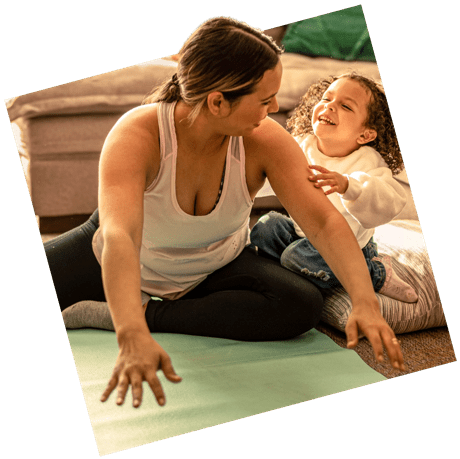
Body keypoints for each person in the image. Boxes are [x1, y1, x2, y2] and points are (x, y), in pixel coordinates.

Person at [46, 17, 405, 410]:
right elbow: (121, 237)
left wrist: (365, 301)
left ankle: (148, 314)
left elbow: (322, 220)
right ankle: (127, 307)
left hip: (212, 267)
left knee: (299, 305)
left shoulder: (266, 139)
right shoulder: (138, 133)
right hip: (114, 259)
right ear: (218, 101)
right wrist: (129, 335)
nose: (275, 107)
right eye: (264, 98)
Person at [251, 73, 418, 303]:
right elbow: (273, 176)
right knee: (266, 227)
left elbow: (390, 201)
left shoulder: (368, 161)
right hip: (303, 235)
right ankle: (289, 272)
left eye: (346, 107)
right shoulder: (301, 145)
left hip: (348, 250)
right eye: (327, 99)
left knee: (294, 258)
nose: (329, 107)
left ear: (365, 134)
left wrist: (349, 186)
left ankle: (375, 274)